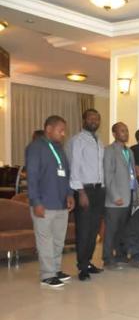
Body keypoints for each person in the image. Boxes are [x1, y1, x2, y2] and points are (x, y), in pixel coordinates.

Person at [26, 115, 75, 287]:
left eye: (64, 131)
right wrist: (36, 201)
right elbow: (32, 177)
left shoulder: (59, 149)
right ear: (48, 129)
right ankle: (47, 275)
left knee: (58, 240)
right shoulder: (35, 148)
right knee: (45, 240)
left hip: (61, 203)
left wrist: (70, 194)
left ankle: (55, 269)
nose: (63, 134)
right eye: (60, 130)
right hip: (44, 204)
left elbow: (67, 174)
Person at [66, 108, 105, 281]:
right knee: (84, 229)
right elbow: (74, 167)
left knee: (94, 229)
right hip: (85, 190)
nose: (94, 121)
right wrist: (80, 191)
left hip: (99, 190)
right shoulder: (77, 140)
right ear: (84, 120)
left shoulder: (99, 141)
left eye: (97, 118)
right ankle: (82, 267)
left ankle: (88, 261)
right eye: (91, 118)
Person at [103, 122, 137, 270]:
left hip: (128, 195)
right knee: (111, 230)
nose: (125, 133)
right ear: (115, 134)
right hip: (115, 199)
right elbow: (108, 175)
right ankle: (108, 258)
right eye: (122, 131)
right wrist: (114, 195)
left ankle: (121, 255)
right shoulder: (109, 150)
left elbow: (133, 175)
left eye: (127, 130)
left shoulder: (129, 151)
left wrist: (134, 194)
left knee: (123, 230)